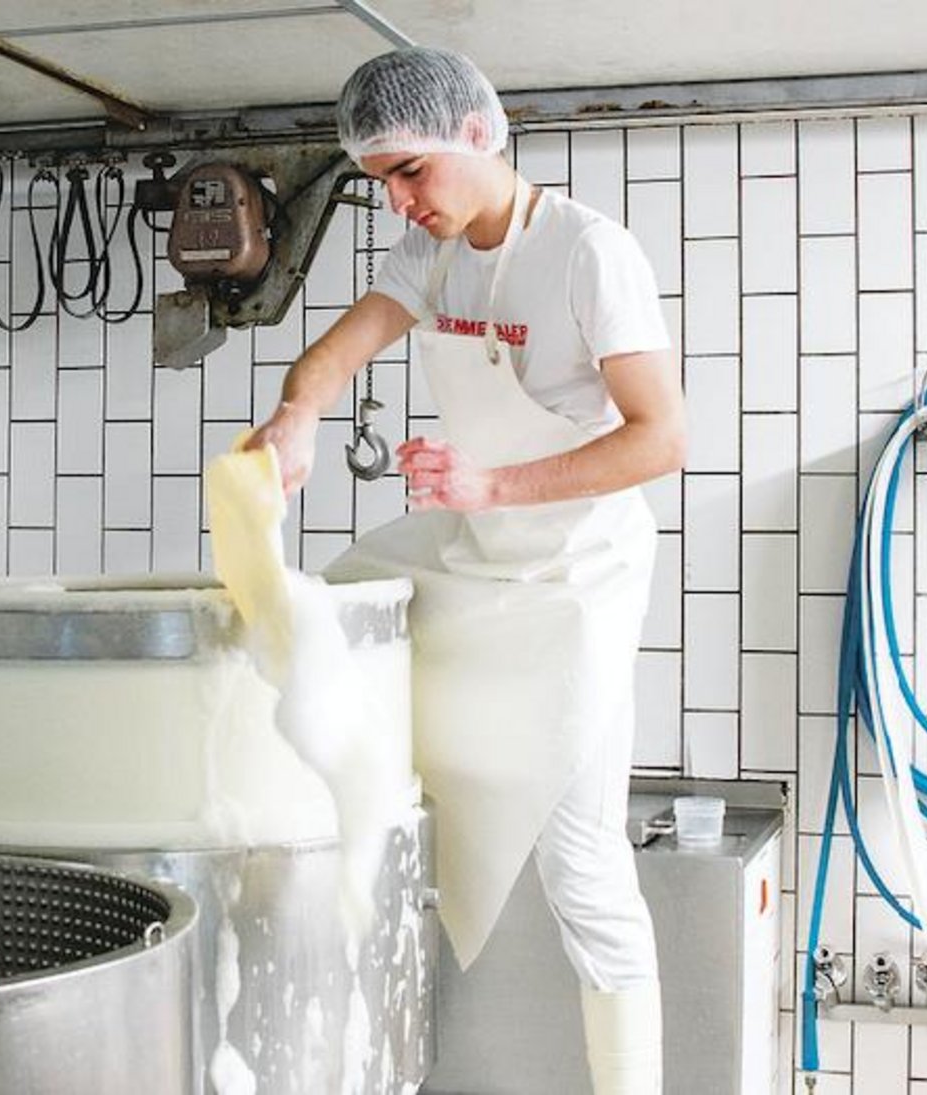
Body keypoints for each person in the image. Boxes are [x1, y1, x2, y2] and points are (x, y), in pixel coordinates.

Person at [244, 47, 686, 1095]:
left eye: (409, 171)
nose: (397, 199)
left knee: (578, 862)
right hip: (474, 551)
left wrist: (489, 487)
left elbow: (659, 438)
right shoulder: (428, 252)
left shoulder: (587, 253)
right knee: (327, 607)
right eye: (381, 180)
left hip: (574, 577)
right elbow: (332, 355)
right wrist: (295, 419)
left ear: (477, 136)